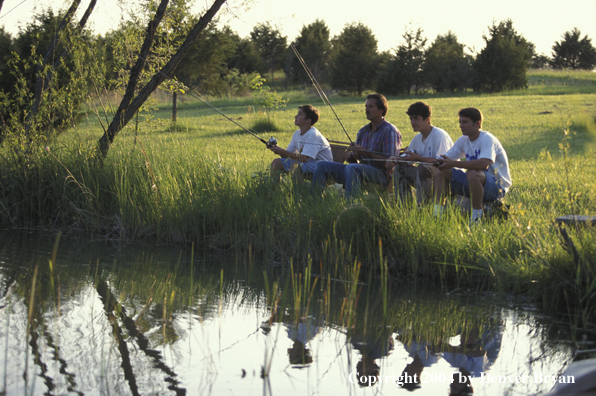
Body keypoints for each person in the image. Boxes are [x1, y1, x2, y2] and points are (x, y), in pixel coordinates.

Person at [311, 94, 401, 199]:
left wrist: (365, 152)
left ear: (381, 110)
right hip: (358, 170)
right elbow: (356, 160)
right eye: (366, 107)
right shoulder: (363, 131)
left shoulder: (390, 131)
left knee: (353, 168)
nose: (366, 110)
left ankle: (352, 206)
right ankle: (314, 200)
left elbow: (390, 163)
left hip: (381, 175)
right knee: (322, 165)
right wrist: (352, 156)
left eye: (370, 107)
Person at [433, 108, 512, 226]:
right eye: (460, 122)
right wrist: (417, 158)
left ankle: (476, 217)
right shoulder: (463, 140)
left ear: (477, 123)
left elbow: (483, 164)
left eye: (464, 122)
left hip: (496, 188)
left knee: (473, 172)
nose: (461, 125)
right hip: (474, 181)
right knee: (441, 171)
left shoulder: (487, 139)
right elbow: (444, 159)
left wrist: (453, 164)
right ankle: (437, 214)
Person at [389, 101, 453, 205]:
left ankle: (422, 208)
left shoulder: (439, 135)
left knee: (424, 167)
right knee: (399, 168)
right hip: (426, 177)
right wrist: (395, 159)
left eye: (416, 119)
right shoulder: (417, 138)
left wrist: (418, 158)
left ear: (427, 120)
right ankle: (405, 208)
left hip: (445, 179)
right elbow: (408, 157)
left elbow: (442, 163)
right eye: (411, 119)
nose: (412, 122)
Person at [269, 104, 333, 181]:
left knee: (295, 165)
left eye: (299, 114)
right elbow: (286, 155)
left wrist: (281, 151)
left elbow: (303, 158)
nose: (295, 116)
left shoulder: (313, 135)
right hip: (308, 164)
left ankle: (298, 192)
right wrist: (276, 148)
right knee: (277, 162)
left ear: (308, 120)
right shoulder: (297, 133)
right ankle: (274, 190)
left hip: (322, 168)